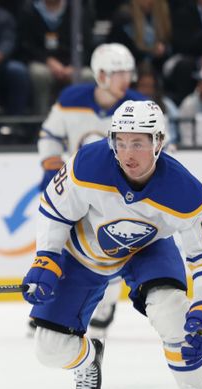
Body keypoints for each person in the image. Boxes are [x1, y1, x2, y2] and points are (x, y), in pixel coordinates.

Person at [23, 100, 202, 389]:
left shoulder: (187, 192)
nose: (127, 154)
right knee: (48, 349)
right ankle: (89, 357)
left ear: (158, 142)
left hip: (147, 250)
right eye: (120, 142)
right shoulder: (88, 164)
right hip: (85, 253)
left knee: (173, 314)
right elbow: (54, 209)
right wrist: (46, 257)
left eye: (137, 143)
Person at [35, 43, 146, 338]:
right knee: (57, 244)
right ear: (101, 75)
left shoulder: (140, 107)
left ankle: (105, 304)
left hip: (116, 198)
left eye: (128, 72)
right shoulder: (71, 99)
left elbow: (163, 148)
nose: (126, 79)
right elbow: (49, 135)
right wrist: (51, 166)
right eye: (119, 73)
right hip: (77, 191)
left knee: (110, 250)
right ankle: (49, 305)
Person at [17, 0, 94, 116]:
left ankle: (81, 118)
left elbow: (86, 45)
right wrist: (47, 60)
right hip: (41, 61)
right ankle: (42, 118)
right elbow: (26, 45)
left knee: (88, 75)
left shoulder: (76, 10)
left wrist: (74, 65)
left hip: (72, 63)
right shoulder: (30, 10)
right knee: (40, 74)